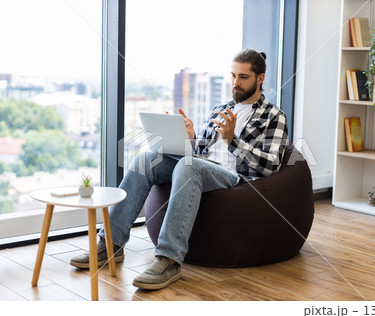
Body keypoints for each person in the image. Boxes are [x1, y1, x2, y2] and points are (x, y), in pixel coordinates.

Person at [70, 48, 289, 290]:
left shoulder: (273, 117)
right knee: (145, 160)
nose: (235, 83)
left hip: (236, 178)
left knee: (188, 166)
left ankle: (169, 260)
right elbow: (200, 153)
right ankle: (110, 245)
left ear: (260, 79)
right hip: (200, 167)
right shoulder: (220, 109)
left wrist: (232, 140)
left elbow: (270, 166)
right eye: (233, 76)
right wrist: (189, 136)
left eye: (243, 77)